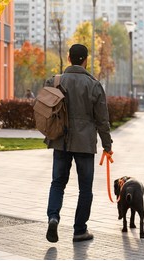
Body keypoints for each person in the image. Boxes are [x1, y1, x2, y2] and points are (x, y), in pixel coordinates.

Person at [44, 44, 113, 243]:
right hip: (85, 143)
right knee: (85, 188)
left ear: (68, 58)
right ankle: (79, 230)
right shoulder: (93, 85)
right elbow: (102, 120)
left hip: (60, 141)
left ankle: (53, 217)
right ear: (85, 60)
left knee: (57, 183)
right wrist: (107, 146)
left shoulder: (55, 81)